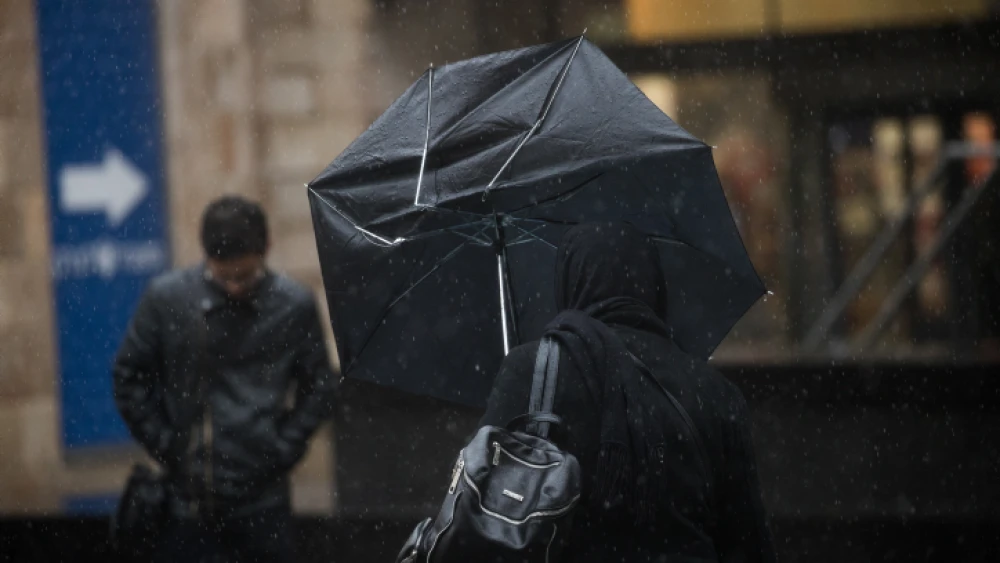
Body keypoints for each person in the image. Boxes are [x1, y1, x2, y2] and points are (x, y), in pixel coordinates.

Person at [480, 222, 776, 562]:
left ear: (568, 283)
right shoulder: (715, 393)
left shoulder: (531, 370)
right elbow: (749, 543)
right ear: (655, 287)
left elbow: (482, 508)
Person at [113, 196, 337, 563]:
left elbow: (319, 385)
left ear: (267, 249)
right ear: (205, 257)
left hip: (263, 500)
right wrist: (169, 446)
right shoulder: (169, 299)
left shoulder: (293, 304)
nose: (234, 287)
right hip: (188, 501)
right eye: (224, 276)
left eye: (244, 276)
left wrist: (282, 448)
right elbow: (128, 376)